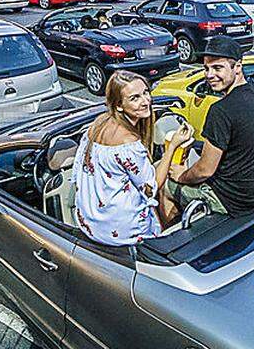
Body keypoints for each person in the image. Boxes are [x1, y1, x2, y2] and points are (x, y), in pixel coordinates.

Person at [73, 71, 193, 246]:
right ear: (119, 105)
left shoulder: (98, 124)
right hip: (123, 232)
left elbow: (79, 169)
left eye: (146, 92)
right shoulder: (128, 143)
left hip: (91, 221)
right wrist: (173, 146)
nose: (145, 101)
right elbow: (151, 188)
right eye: (135, 98)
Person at [169, 36, 254, 215]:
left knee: (167, 186)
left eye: (217, 68)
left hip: (234, 201)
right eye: (206, 68)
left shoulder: (221, 110)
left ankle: (172, 239)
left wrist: (181, 175)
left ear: (237, 67)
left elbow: (204, 170)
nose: (209, 75)